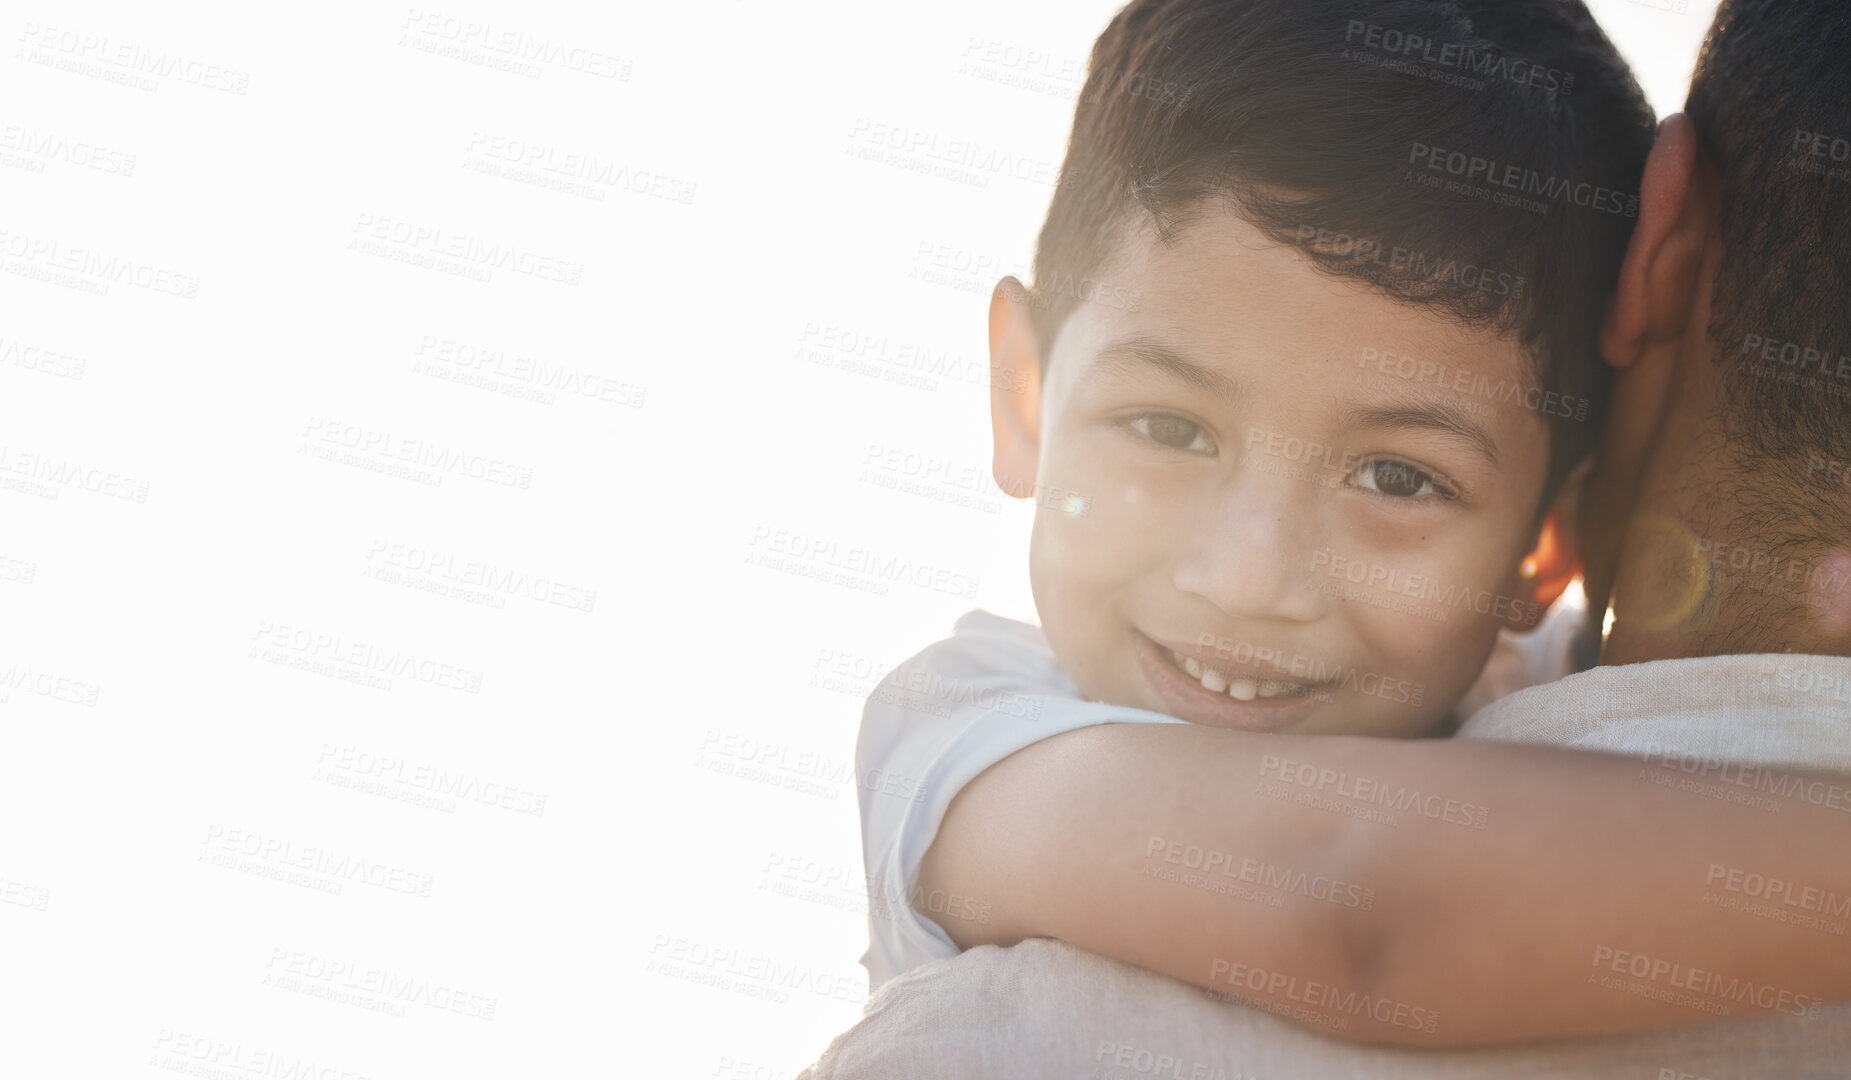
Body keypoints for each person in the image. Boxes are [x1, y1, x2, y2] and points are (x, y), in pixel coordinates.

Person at [804, 0, 1851, 1072]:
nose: (1250, 578)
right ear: (1024, 396)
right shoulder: (963, 736)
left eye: (1399, 478)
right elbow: (1357, 906)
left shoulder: (1544, 688)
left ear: (1551, 546)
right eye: (1168, 427)